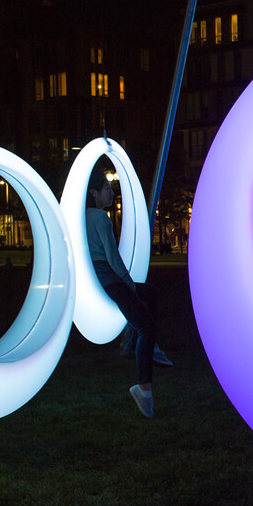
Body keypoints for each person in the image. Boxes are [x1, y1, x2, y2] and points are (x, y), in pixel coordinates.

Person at [86, 170, 171, 418]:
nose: (111, 192)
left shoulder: (83, 217)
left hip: (103, 279)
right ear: (94, 192)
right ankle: (143, 390)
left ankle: (147, 347)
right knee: (146, 326)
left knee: (151, 293)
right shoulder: (100, 217)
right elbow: (112, 257)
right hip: (111, 281)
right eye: (106, 188)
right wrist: (127, 281)